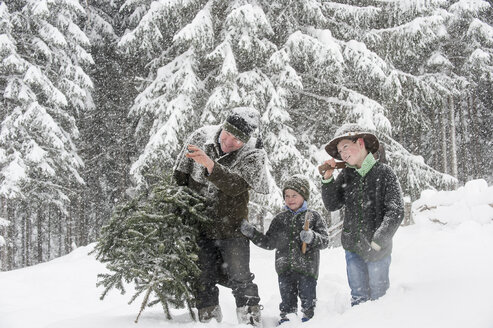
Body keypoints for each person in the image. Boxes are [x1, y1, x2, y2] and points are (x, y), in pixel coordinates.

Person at [173, 106, 269, 326]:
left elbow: (235, 185)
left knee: (240, 276)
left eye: (238, 139)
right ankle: (208, 320)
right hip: (200, 224)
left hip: (233, 226)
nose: (230, 142)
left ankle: (250, 319)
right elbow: (180, 175)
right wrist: (178, 209)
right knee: (202, 276)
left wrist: (209, 164)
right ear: (223, 126)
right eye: (228, 134)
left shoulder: (254, 153)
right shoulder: (200, 136)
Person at [320, 123, 404, 306]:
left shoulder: (385, 173)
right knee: (358, 299)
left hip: (377, 250)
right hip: (353, 248)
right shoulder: (346, 175)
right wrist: (327, 179)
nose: (342, 154)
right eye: (339, 151)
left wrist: (379, 240)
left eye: (345, 147)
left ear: (359, 142)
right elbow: (332, 204)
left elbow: (396, 211)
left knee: (379, 299)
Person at [241, 175, 329, 325]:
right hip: (284, 268)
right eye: (287, 195)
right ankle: (287, 321)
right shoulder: (280, 219)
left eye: (294, 195)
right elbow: (269, 242)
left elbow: (325, 241)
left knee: (308, 301)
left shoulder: (313, 217)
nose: (290, 199)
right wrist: (252, 233)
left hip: (307, 269)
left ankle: (311, 322)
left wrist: (312, 237)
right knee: (287, 301)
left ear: (304, 196)